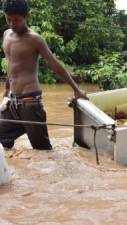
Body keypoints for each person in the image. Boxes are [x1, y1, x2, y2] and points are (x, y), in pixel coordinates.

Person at [0, 0, 87, 150]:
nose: (12, 24)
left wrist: (76, 90)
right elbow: (11, 65)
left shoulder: (35, 39)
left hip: (30, 104)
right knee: (3, 141)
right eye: (9, 19)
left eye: (17, 20)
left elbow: (55, 65)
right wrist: (6, 90)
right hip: (12, 103)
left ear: (27, 17)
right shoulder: (6, 34)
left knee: (42, 151)